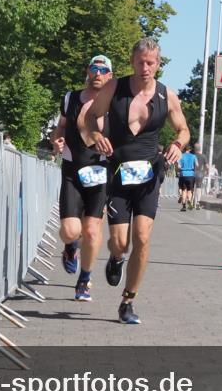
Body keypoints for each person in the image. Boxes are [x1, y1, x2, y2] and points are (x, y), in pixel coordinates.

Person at [84, 38, 190, 324]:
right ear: (133, 61)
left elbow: (183, 130)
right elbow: (91, 118)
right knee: (120, 243)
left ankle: (128, 301)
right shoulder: (114, 88)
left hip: (149, 175)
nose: (146, 68)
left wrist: (178, 145)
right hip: (118, 174)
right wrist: (96, 137)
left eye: (151, 63)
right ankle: (116, 259)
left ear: (158, 64)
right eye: (141, 62)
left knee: (142, 237)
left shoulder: (167, 96)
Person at [49, 55, 114, 302]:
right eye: (94, 68)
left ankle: (84, 280)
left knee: (91, 231)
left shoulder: (114, 102)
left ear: (109, 75)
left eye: (103, 70)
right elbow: (61, 127)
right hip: (71, 168)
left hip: (100, 171)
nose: (98, 73)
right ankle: (69, 247)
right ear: (88, 71)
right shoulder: (71, 98)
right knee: (70, 230)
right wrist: (56, 139)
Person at [177, 145, 198, 211]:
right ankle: (189, 200)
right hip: (191, 174)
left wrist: (182, 168)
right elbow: (197, 165)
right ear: (190, 149)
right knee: (189, 190)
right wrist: (193, 169)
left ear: (184, 149)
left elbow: (179, 166)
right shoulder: (194, 156)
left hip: (183, 174)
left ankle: (183, 206)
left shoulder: (181, 156)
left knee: (184, 190)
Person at [193, 142, 207, 209]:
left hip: (193, 173)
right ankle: (198, 202)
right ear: (200, 149)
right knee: (199, 188)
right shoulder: (203, 156)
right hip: (200, 174)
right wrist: (206, 172)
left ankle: (192, 201)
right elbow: (207, 166)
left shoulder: (193, 156)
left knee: (192, 188)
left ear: (195, 149)